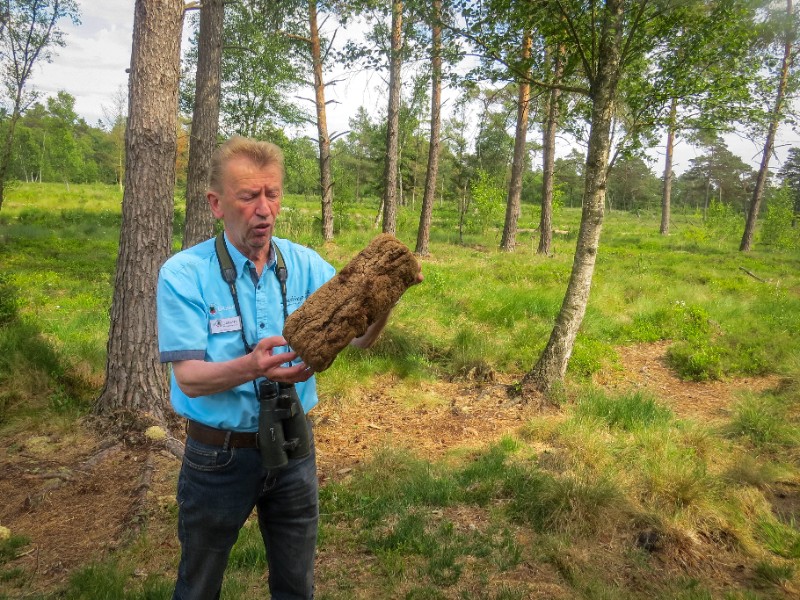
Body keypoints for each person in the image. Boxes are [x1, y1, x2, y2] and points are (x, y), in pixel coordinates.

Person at [156, 136, 420, 600]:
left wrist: (384, 297)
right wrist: (253, 366)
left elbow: (358, 338)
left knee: (297, 584)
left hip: (295, 446)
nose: (264, 209)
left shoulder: (304, 265)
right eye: (249, 196)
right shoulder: (183, 274)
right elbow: (190, 380)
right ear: (216, 203)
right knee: (198, 584)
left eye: (272, 194)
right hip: (219, 456)